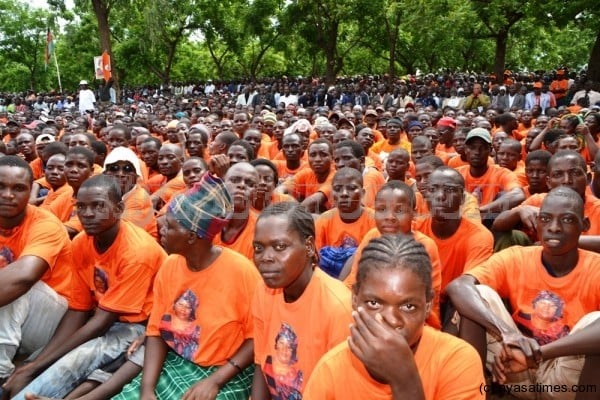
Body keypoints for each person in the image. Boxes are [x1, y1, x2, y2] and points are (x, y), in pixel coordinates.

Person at [6, 175, 167, 399]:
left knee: (69, 365)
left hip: (138, 327)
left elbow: (102, 323)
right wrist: (34, 364)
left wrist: (34, 369)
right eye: (81, 206)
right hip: (101, 319)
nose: (88, 214)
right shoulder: (82, 242)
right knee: (38, 362)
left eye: (99, 205)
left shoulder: (137, 252)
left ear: (119, 208)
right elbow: (78, 310)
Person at [113, 172, 260, 400]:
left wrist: (214, 381)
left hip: (226, 369)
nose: (160, 227)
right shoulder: (170, 265)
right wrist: (146, 389)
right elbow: (156, 330)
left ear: (192, 236)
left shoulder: (243, 273)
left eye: (170, 226)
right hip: (179, 359)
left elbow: (256, 338)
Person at [446, 187, 600, 400]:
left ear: (585, 225)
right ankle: (475, 394)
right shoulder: (517, 257)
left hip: (564, 380)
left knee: (595, 322)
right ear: (537, 223)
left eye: (566, 220)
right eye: (545, 218)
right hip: (514, 368)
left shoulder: (596, 267)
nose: (553, 228)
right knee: (479, 295)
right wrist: (507, 334)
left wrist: (537, 354)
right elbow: (458, 286)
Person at [303, 234, 485, 400]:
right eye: (374, 303)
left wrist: (404, 380)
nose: (391, 320)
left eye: (408, 306)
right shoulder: (330, 370)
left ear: (428, 304)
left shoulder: (457, 361)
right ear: (355, 299)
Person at [251, 202, 353, 400]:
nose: (266, 258)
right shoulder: (263, 291)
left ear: (308, 246)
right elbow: (261, 363)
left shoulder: (338, 308)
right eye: (258, 248)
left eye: (280, 247)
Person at [0, 156, 73, 392]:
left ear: (30, 191)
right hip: (12, 318)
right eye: (1, 187)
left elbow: (24, 277)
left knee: (14, 283)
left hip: (50, 321)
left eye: (18, 188)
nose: (8, 194)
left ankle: (1, 373)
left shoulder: (45, 224)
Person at [341, 181, 443, 328]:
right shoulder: (372, 236)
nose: (389, 216)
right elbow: (353, 284)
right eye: (381, 209)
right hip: (370, 311)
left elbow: (428, 301)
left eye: (399, 210)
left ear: (413, 213)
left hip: (412, 319)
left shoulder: (425, 246)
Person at [315, 168, 376, 278]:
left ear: (362, 193)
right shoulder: (324, 220)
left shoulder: (374, 220)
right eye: (338, 189)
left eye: (351, 188)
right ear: (331, 193)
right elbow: (315, 259)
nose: (344, 194)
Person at [103, 147, 157, 239]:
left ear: (137, 175)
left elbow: (118, 235)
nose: (120, 174)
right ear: (104, 173)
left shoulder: (139, 198)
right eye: (114, 168)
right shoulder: (104, 192)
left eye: (127, 169)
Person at [212, 162, 259, 260]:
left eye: (250, 184)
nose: (241, 186)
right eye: (234, 180)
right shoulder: (204, 220)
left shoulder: (261, 229)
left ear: (256, 193)